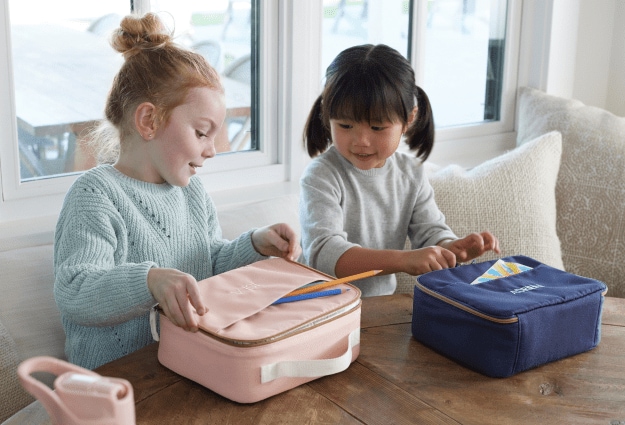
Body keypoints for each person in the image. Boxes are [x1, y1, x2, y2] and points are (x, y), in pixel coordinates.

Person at [53, 13, 301, 370]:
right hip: (118, 384)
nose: (212, 149)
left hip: (186, 367)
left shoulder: (192, 194)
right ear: (149, 121)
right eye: (202, 133)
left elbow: (208, 263)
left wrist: (255, 244)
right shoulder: (95, 195)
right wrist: (149, 281)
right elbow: (75, 291)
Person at [299, 44, 499, 297]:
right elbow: (324, 255)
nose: (361, 140)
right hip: (319, 310)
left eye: (377, 128)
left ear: (408, 119)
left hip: (380, 312)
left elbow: (430, 232)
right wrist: (403, 260)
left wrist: (451, 249)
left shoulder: (411, 174)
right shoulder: (322, 175)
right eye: (346, 125)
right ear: (327, 113)